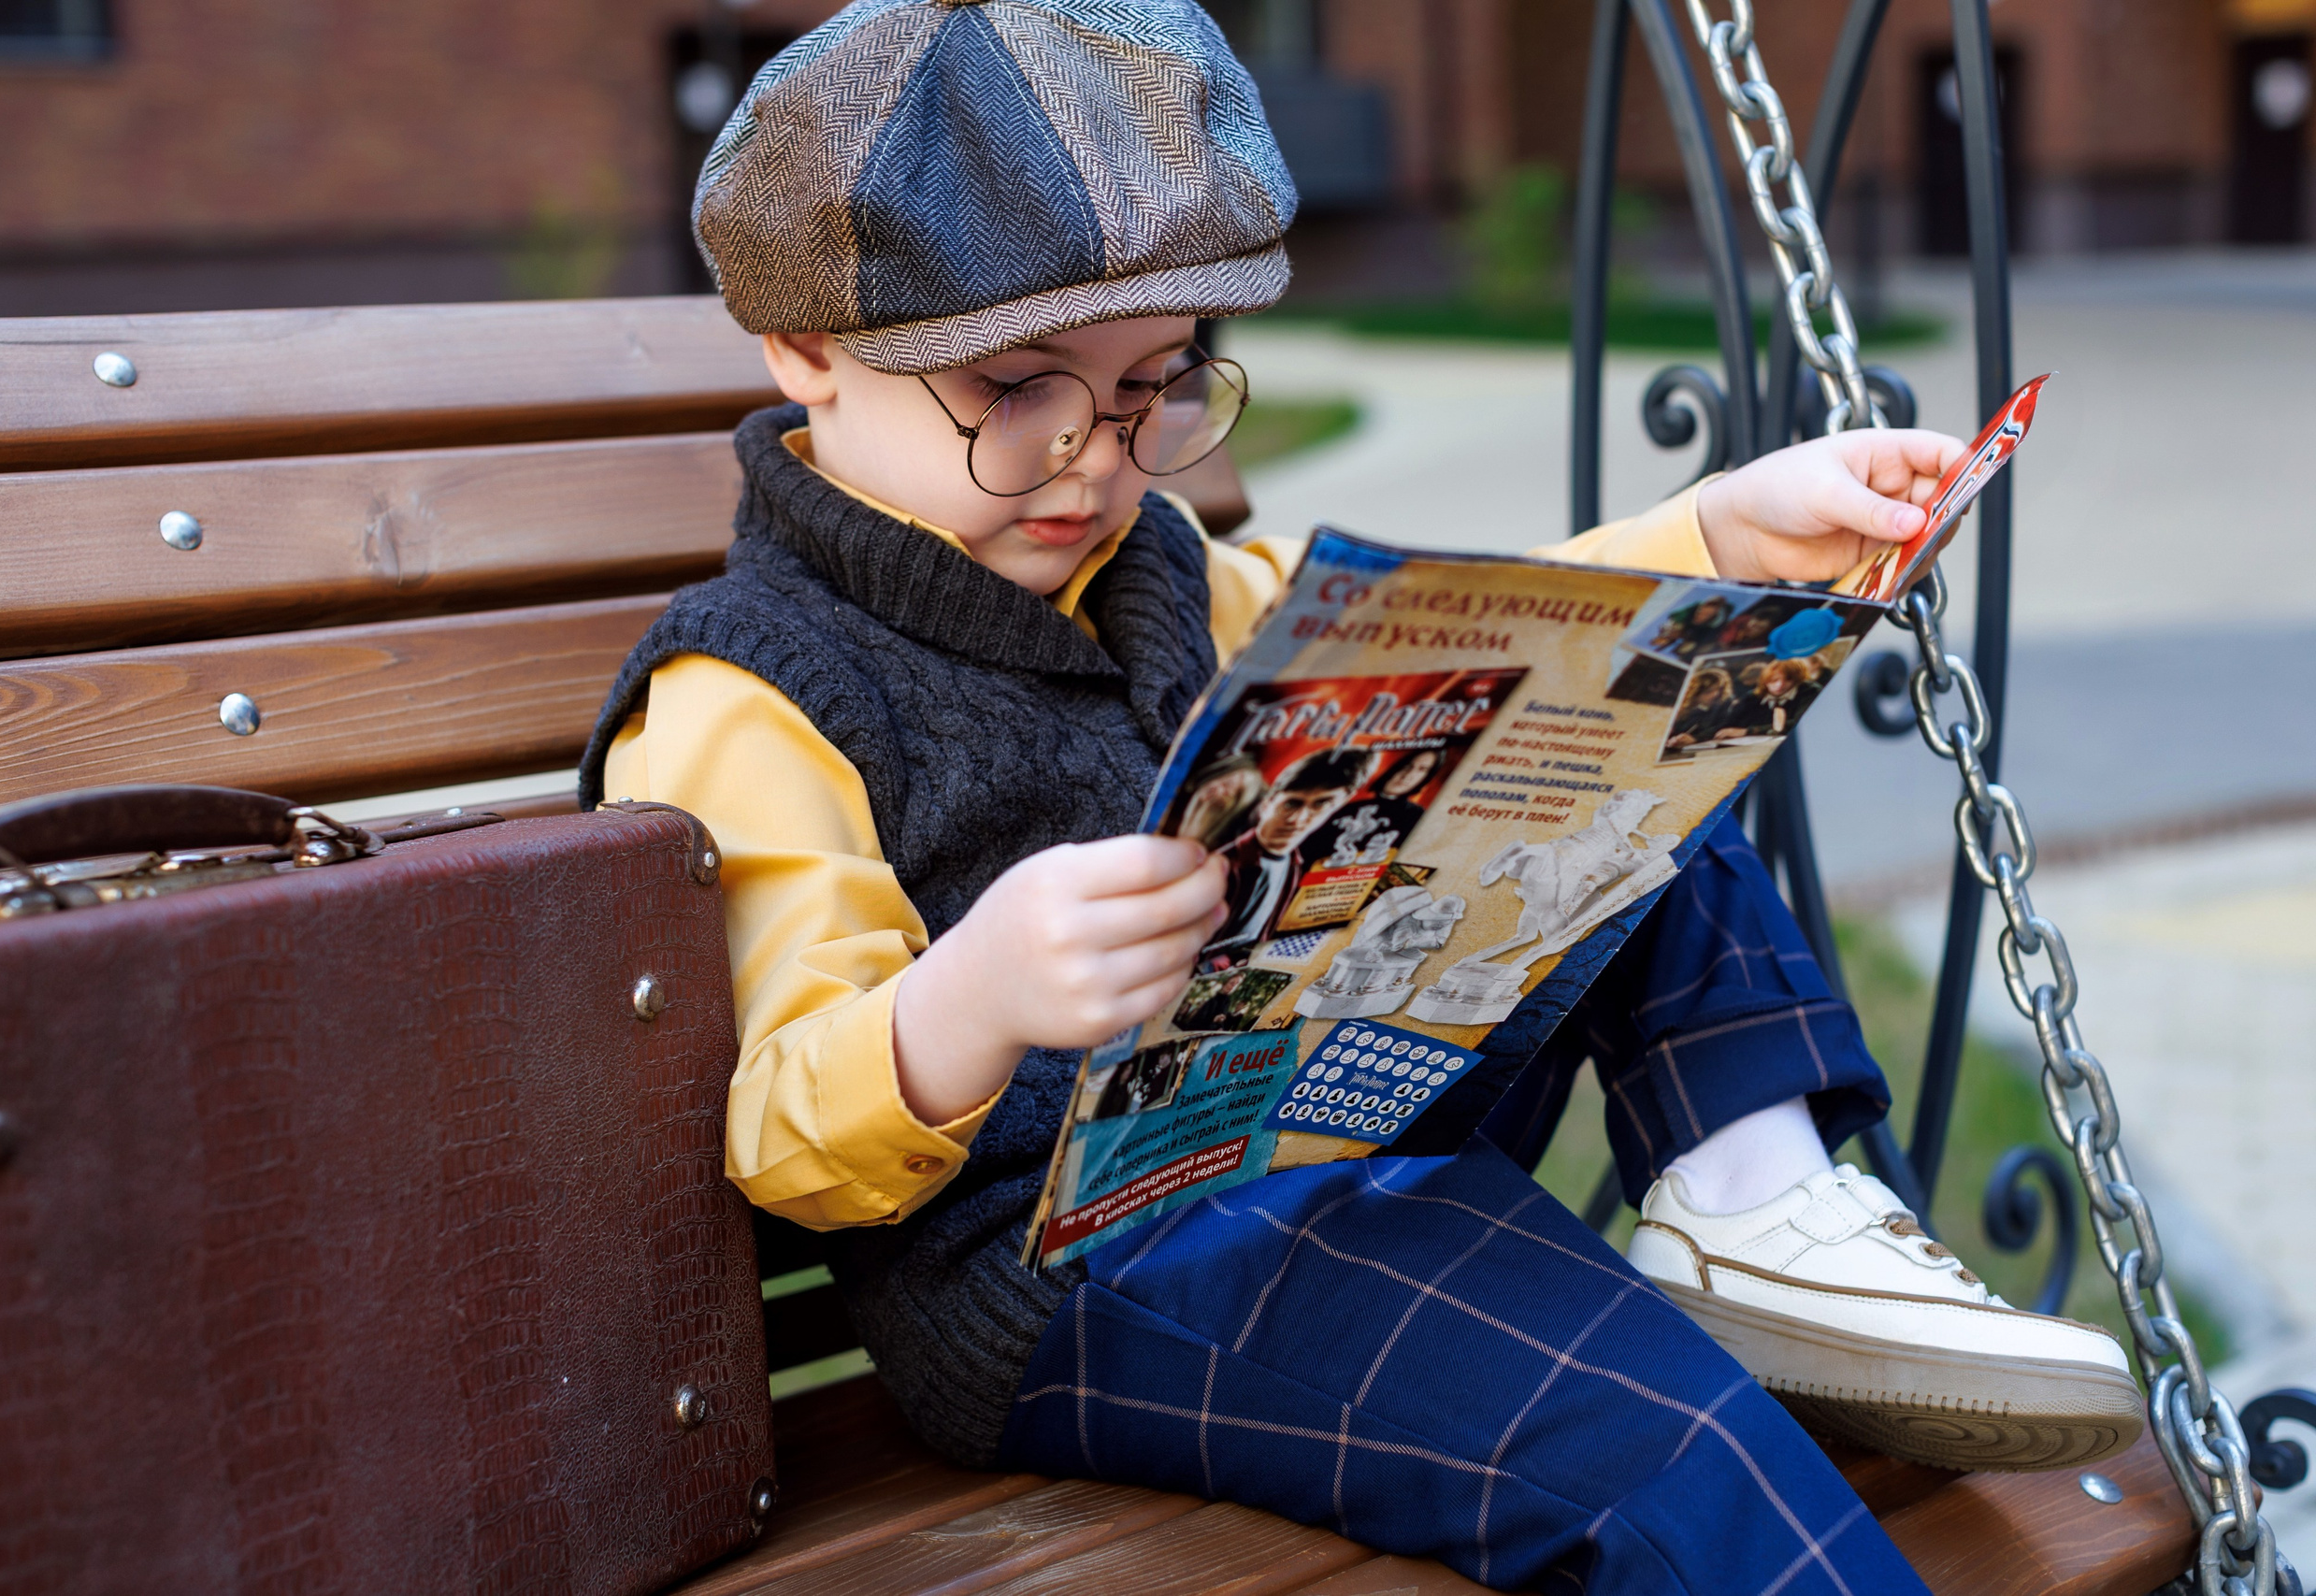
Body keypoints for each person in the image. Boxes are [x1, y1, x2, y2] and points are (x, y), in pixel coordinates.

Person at [583, 6, 2136, 1589]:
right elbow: (780, 1122)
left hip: (1306, 1123)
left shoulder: (1154, 570)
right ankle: (1733, 1283)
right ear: (805, 349)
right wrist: (968, 1000)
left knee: (1607, 745)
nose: (1093, 463)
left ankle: (1758, 1201)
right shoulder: (752, 691)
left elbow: (1487, 653)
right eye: (1013, 391)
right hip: (1073, 1273)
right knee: (1657, 1446)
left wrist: (1721, 542)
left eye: (1152, 392)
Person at [1201, 746, 1373, 969]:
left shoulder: (1294, 863)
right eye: (1291, 803)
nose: (1299, 820)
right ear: (1267, 804)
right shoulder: (1225, 865)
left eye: (1320, 805)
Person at [1308, 744, 1445, 867]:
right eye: (1407, 765)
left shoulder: (1417, 817)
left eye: (1422, 769)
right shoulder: (1347, 809)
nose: (1408, 775)